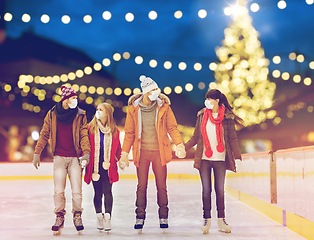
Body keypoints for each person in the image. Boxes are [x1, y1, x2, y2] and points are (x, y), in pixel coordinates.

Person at [120, 75, 186, 233]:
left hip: (159, 152)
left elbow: (172, 128)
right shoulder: (134, 109)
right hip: (141, 152)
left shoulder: (163, 107)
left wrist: (180, 144)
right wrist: (124, 154)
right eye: (154, 90)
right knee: (141, 186)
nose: (157, 92)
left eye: (157, 89)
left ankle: (163, 216)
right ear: (146, 92)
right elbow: (129, 133)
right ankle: (140, 216)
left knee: (161, 186)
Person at [32, 85, 90, 235]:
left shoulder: (80, 114)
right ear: (65, 99)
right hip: (59, 157)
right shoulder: (52, 114)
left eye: (76, 98)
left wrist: (87, 153)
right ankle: (59, 217)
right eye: (73, 98)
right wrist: (37, 152)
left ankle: (77, 216)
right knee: (58, 191)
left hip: (75, 158)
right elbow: (44, 134)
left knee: (77, 191)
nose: (75, 101)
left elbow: (84, 135)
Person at [184, 89, 242, 234]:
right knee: (206, 190)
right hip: (204, 159)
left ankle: (221, 220)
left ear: (217, 101)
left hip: (220, 159)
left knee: (220, 190)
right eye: (206, 98)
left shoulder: (227, 118)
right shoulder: (202, 115)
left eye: (210, 99)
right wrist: (183, 148)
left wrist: (238, 157)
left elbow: (233, 139)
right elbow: (196, 137)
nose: (207, 101)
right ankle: (206, 219)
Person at [84, 102, 128, 232]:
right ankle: (99, 216)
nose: (98, 111)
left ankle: (108, 218)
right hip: (94, 167)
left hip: (109, 166)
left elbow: (118, 149)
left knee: (108, 191)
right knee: (98, 193)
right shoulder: (89, 129)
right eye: (97, 109)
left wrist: (121, 159)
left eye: (101, 109)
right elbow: (85, 146)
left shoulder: (115, 131)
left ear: (107, 113)